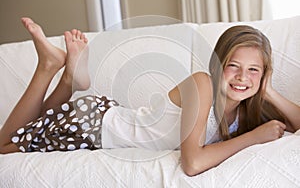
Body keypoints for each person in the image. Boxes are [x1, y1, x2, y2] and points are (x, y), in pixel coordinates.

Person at [0, 18, 299, 176]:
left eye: (253, 71)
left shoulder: (245, 111)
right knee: (3, 146)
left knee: (37, 126)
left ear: (263, 73)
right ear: (218, 65)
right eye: (233, 66)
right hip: (93, 126)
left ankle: (68, 78)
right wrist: (254, 137)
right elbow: (192, 163)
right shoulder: (202, 85)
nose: (242, 78)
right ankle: (48, 69)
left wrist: (269, 91)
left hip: (101, 115)